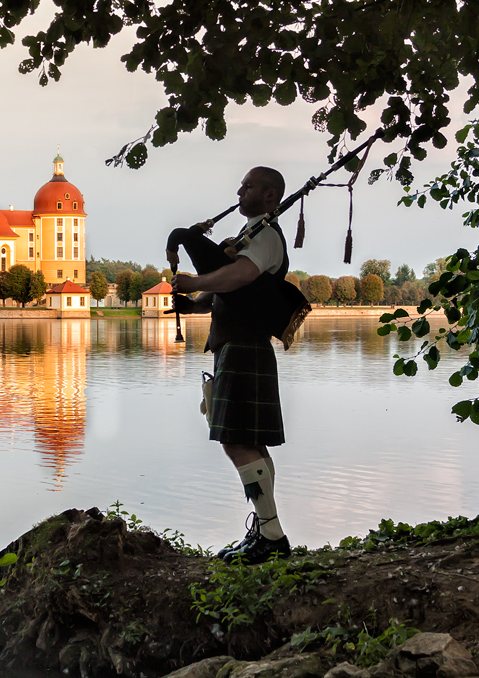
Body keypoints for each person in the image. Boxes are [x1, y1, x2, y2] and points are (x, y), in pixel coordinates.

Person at [171, 166, 292, 565]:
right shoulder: (250, 235)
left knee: (237, 440)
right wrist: (195, 304)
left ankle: (270, 535)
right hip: (235, 346)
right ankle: (265, 530)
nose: (240, 190)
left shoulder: (267, 238)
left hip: (244, 348)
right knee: (249, 442)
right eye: (241, 184)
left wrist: (195, 283)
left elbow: (239, 277)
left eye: (249, 185)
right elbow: (233, 293)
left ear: (271, 195)